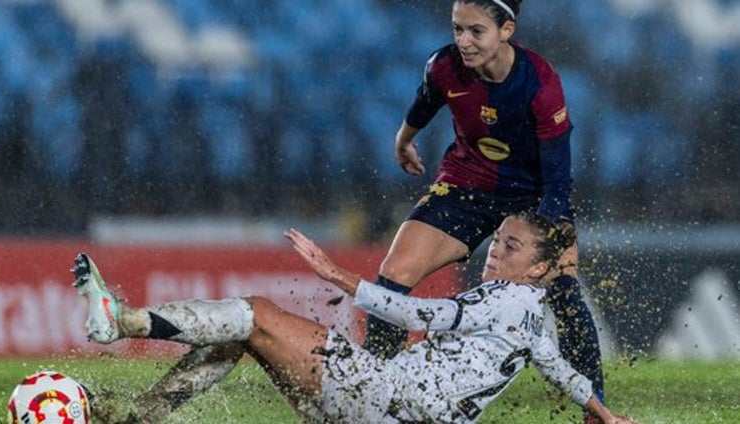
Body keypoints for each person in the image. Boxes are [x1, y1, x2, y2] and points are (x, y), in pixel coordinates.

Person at [74, 213, 637, 424]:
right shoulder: (536, 317)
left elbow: (421, 311)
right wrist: (607, 417)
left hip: (381, 397)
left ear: (538, 266)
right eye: (496, 244)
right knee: (250, 336)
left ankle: (123, 322)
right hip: (396, 409)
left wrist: (338, 275)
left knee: (258, 314)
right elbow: (562, 372)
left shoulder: (502, 299)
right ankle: (143, 417)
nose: (493, 254)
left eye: (509, 248)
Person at [363, 0, 606, 417]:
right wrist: (403, 140)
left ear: (507, 30)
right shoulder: (443, 66)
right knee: (394, 274)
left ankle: (597, 411)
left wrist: (546, 241)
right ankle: (370, 394)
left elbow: (558, 181)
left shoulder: (540, 84)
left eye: (476, 31)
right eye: (458, 29)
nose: (463, 41)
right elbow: (425, 102)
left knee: (565, 293)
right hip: (465, 185)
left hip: (533, 197)